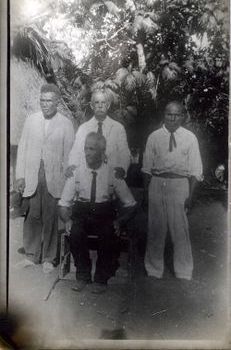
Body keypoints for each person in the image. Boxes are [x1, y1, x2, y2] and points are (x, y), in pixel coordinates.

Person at [59, 132, 137, 294]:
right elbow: (64, 205)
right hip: (81, 212)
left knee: (108, 232)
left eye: (92, 149)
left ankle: (101, 279)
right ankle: (82, 276)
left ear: (102, 151)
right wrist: (67, 219)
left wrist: (120, 221)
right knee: (75, 232)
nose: (87, 153)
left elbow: (131, 205)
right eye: (86, 148)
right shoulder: (76, 172)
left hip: (104, 212)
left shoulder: (113, 173)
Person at [15, 83, 74, 273]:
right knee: (32, 215)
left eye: (49, 101)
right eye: (42, 100)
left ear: (57, 102)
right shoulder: (31, 120)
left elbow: (70, 156)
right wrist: (20, 176)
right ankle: (31, 255)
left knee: (50, 216)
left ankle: (49, 258)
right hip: (33, 173)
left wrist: (67, 182)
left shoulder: (65, 123)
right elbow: (22, 149)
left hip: (54, 176)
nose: (45, 104)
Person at [142, 101, 203, 281]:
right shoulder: (154, 137)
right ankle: (154, 269)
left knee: (180, 230)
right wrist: (146, 194)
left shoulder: (190, 138)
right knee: (155, 228)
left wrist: (190, 195)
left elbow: (195, 170)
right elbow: (146, 168)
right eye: (169, 114)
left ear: (183, 117)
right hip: (157, 183)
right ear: (164, 115)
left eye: (177, 115)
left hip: (179, 184)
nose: (173, 118)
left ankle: (184, 271)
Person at [66, 88, 131, 179]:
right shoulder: (83, 128)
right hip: (87, 177)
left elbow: (124, 153)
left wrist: (122, 168)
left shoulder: (118, 128)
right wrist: (72, 165)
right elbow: (75, 151)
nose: (100, 106)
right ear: (92, 106)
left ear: (108, 105)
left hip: (111, 177)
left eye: (103, 102)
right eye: (96, 103)